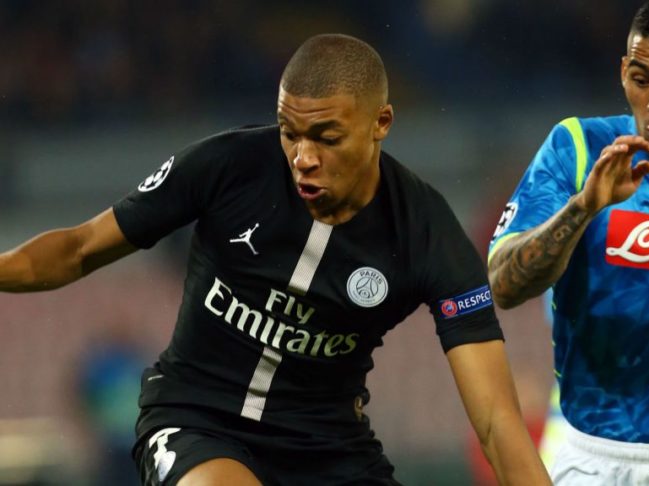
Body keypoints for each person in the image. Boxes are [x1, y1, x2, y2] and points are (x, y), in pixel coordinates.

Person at [0, 34, 550, 485]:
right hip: (196, 423)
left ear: (381, 123)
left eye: (327, 137)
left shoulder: (426, 232)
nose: (303, 158)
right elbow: (77, 248)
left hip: (330, 450)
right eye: (291, 133)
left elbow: (496, 422)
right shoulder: (229, 167)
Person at [487, 0, 649, 484]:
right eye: (642, 80)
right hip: (589, 454)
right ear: (624, 72)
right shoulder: (577, 147)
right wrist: (582, 208)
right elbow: (504, 286)